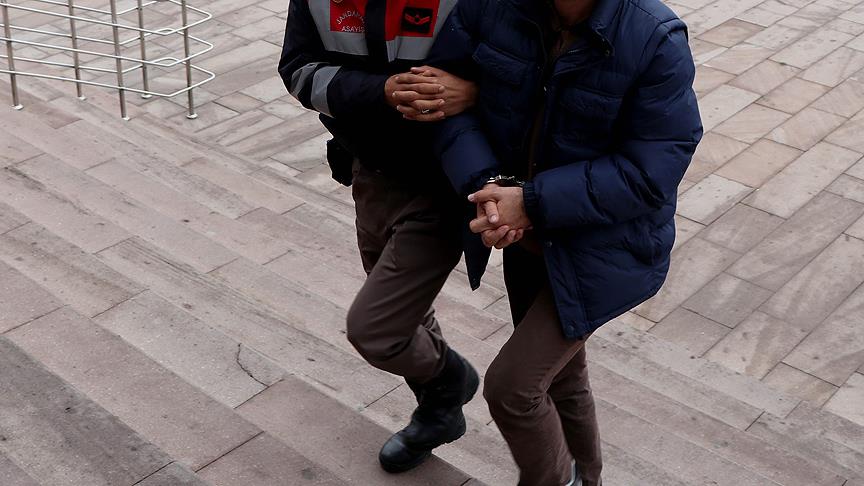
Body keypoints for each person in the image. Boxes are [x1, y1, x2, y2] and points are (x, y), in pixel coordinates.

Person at [412, 0, 704, 484]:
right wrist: (492, 188)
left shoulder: (654, 38)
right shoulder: (493, 7)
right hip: (526, 238)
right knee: (562, 376)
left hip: (602, 249)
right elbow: (448, 99)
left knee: (513, 388)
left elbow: (651, 171)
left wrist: (530, 202)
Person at [277, 0, 495, 475]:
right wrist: (380, 92)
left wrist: (475, 93)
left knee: (377, 329)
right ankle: (438, 411)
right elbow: (298, 70)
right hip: (370, 175)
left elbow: (530, 75)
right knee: (403, 309)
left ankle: (449, 383)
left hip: (443, 183)